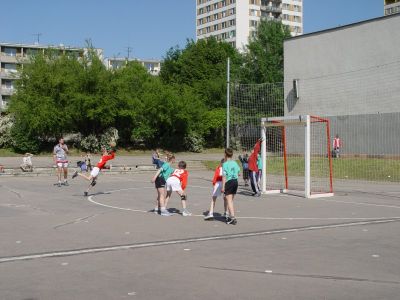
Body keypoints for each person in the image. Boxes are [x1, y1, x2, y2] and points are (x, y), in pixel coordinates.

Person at [221, 148, 240, 225]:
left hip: (229, 182)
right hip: (235, 181)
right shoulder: (235, 163)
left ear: (225, 154)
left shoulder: (225, 164)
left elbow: (224, 177)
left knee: (229, 200)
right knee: (230, 200)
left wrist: (223, 187)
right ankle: (228, 215)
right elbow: (238, 172)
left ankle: (232, 218)